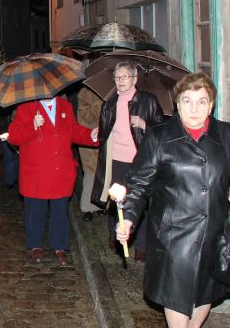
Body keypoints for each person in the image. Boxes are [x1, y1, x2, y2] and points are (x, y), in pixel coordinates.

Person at [116, 72, 230, 327]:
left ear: (211, 105)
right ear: (177, 104)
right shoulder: (159, 138)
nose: (194, 108)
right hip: (174, 238)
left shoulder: (226, 135)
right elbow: (138, 185)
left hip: (213, 234)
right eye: (187, 100)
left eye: (202, 101)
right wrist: (129, 219)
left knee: (204, 293)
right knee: (177, 297)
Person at [8, 95, 98, 266]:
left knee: (60, 212)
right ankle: (35, 245)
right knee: (35, 211)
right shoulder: (26, 108)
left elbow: (74, 131)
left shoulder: (65, 106)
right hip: (36, 172)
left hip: (60, 171)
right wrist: (32, 125)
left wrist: (91, 135)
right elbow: (13, 137)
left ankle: (60, 247)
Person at [91, 62, 164, 261]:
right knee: (116, 200)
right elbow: (105, 129)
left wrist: (144, 124)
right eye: (117, 77)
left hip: (141, 160)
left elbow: (161, 130)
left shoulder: (148, 100)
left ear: (135, 79)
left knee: (140, 200)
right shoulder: (109, 103)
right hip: (116, 159)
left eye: (125, 77)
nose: (121, 81)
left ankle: (142, 245)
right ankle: (116, 236)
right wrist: (99, 132)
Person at [76, 87, 103, 222]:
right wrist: (101, 104)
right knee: (91, 174)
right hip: (89, 139)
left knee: (104, 173)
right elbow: (87, 115)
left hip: (106, 138)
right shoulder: (85, 93)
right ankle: (88, 208)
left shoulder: (113, 93)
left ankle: (102, 205)